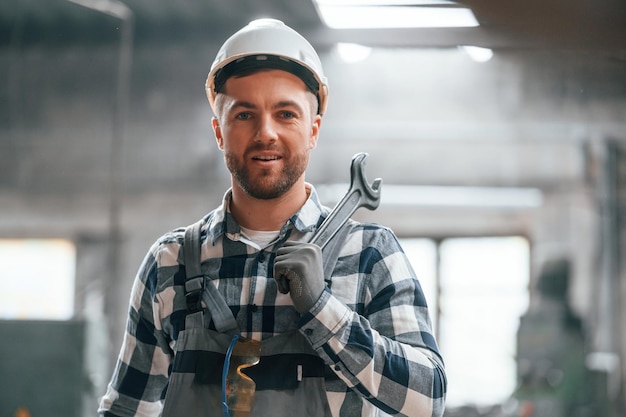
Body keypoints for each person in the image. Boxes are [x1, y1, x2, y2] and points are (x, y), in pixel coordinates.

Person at [98, 18, 446, 417]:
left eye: (286, 114)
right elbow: (126, 410)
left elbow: (427, 400)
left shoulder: (369, 254)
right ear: (219, 131)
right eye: (244, 115)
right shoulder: (169, 263)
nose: (266, 133)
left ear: (313, 130)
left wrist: (321, 308)